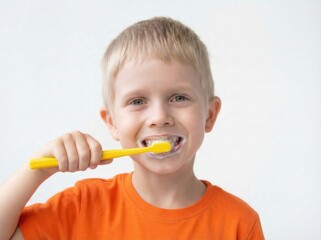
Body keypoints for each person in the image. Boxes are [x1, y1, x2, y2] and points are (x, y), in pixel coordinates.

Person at [0, 17, 264, 239]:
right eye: (138, 101)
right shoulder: (82, 206)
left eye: (179, 98)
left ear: (209, 115)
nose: (159, 117)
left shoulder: (239, 223)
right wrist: (36, 172)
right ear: (112, 123)